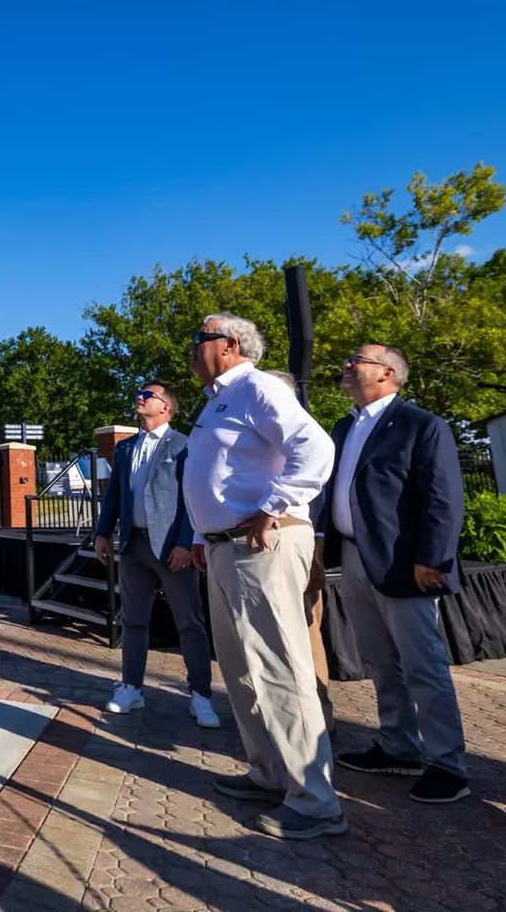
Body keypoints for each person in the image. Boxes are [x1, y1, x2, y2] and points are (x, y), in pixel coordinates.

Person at [184, 313, 343, 840]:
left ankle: (316, 801)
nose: (191, 348)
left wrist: (273, 506)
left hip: (262, 546)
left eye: (199, 339)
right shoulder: (217, 399)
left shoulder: (256, 387)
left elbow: (315, 448)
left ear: (229, 345)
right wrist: (203, 536)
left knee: (279, 668)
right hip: (225, 550)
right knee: (240, 669)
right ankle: (270, 771)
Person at [319, 343, 469, 804]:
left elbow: (443, 498)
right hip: (355, 557)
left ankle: (448, 764)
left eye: (356, 361)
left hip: (406, 564)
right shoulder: (345, 426)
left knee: (422, 665)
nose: (346, 366)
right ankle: (399, 746)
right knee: (381, 660)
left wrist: (434, 559)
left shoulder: (422, 425)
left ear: (387, 373)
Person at [92, 383, 218, 728]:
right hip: (133, 546)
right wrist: (103, 533)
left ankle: (201, 695)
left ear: (166, 408)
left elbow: (192, 497)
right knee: (133, 620)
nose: (140, 397)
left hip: (171, 548)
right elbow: (114, 494)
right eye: (139, 393)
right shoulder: (125, 448)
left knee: (189, 623)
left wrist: (185, 541)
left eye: (148, 395)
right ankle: (131, 687)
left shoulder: (185, 446)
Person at [265, 369, 335, 734]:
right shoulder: (262, 434)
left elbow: (319, 498)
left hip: (298, 542)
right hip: (260, 548)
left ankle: (320, 716)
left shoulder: (303, 434)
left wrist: (317, 552)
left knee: (305, 633)